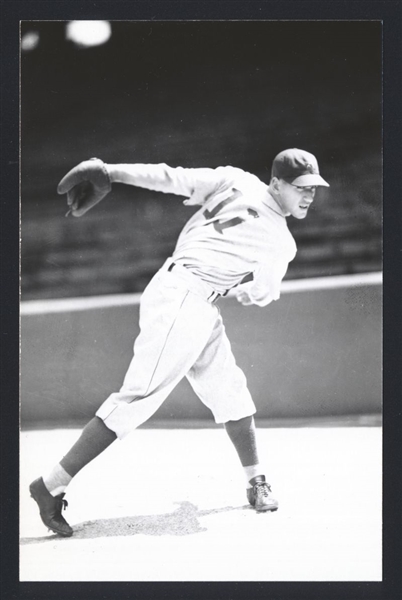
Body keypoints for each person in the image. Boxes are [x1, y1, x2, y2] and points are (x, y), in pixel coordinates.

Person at [29, 148, 329, 537]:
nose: (309, 195)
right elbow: (264, 293)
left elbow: (170, 176)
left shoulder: (234, 178)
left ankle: (257, 480)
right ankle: (50, 484)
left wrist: (111, 171)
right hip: (186, 298)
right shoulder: (281, 241)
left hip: (184, 292)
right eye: (300, 187)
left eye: (314, 188)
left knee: (229, 389)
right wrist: (250, 291)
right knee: (138, 397)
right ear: (276, 182)